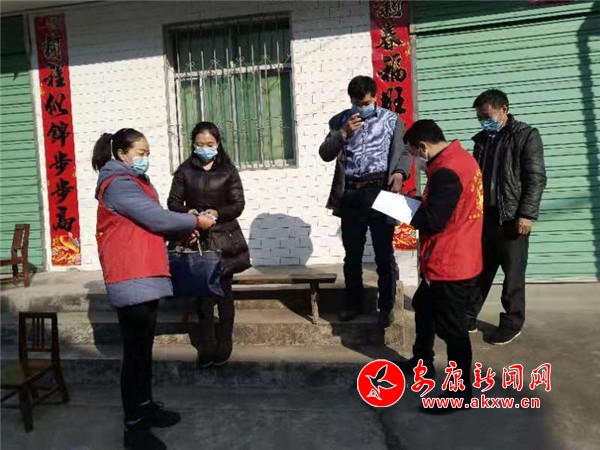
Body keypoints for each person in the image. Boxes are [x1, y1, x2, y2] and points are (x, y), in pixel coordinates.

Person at [93, 128, 212, 450]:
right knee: (134, 355)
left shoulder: (135, 181)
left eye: (147, 153)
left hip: (144, 272)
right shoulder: (118, 184)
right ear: (121, 153)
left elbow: (150, 224)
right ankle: (133, 427)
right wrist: (194, 222)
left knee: (143, 351)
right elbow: (156, 219)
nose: (145, 158)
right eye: (140, 153)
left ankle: (145, 408)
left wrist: (182, 225)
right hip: (129, 275)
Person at [399, 120, 483, 414]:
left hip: (450, 262)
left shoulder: (446, 171)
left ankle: (460, 393)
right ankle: (421, 361)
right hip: (452, 255)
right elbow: (446, 206)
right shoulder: (462, 158)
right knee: (424, 307)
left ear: (423, 147)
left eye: (414, 153)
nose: (416, 160)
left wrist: (402, 210)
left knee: (452, 329)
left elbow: (434, 220)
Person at [319, 75, 412, 327]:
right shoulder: (340, 120)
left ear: (375, 97)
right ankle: (353, 304)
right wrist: (343, 133)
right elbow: (325, 154)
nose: (362, 108)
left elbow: (405, 151)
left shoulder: (392, 120)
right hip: (351, 192)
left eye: (366, 103)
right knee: (352, 255)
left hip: (381, 190)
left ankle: (387, 307)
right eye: (357, 103)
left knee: (384, 254)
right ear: (350, 100)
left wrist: (399, 173)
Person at [466, 89, 547, 345]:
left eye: (487, 116)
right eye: (480, 117)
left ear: (504, 109)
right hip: (486, 217)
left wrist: (526, 214)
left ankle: (512, 322)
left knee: (512, 274)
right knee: (479, 270)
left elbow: (536, 178)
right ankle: (468, 315)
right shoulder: (482, 140)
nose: (484, 121)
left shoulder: (525, 135)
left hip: (512, 217)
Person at [168, 121, 251, 368]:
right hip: (196, 239)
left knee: (224, 293)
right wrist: (188, 213)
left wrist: (217, 212)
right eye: (200, 144)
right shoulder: (184, 171)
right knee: (203, 295)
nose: (205, 148)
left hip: (224, 238)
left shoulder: (228, 170)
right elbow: (173, 202)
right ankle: (206, 342)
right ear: (193, 144)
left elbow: (238, 204)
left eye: (210, 144)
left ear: (218, 144)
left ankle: (225, 340)